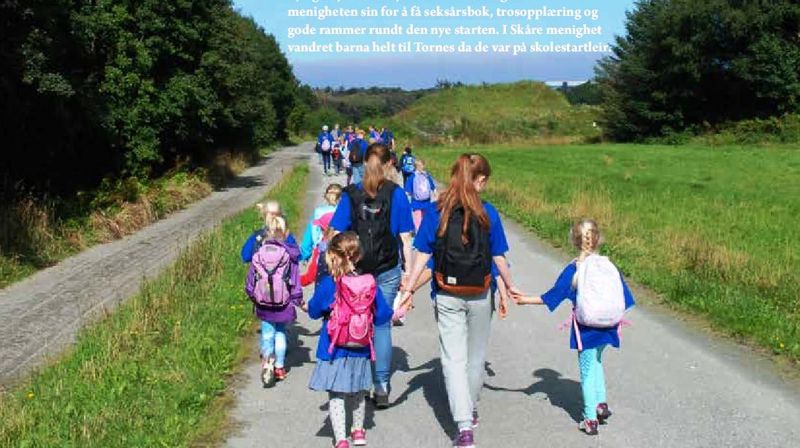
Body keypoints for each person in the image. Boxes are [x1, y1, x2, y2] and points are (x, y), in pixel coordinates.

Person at [396, 153, 519, 448]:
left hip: (446, 294)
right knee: (476, 357)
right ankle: (470, 407)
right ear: (480, 180)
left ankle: (464, 429)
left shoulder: (437, 213)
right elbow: (498, 257)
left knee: (453, 359)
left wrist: (409, 288)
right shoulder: (489, 213)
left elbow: (422, 255)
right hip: (479, 293)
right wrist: (510, 287)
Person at [511, 219, 635, 436]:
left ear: (574, 242)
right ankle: (601, 404)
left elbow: (552, 296)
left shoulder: (574, 269)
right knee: (597, 362)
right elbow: (626, 298)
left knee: (586, 370)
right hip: (609, 326)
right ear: (598, 239)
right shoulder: (608, 266)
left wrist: (524, 299)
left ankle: (589, 419)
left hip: (586, 330)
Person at [330, 143, 414, 408]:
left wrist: (331, 264)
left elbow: (334, 231)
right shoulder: (396, 194)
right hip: (387, 267)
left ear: (364, 163)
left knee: (356, 320)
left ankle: (360, 380)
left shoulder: (351, 194)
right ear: (390, 163)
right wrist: (408, 272)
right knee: (381, 325)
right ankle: (382, 385)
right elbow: (405, 236)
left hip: (356, 271)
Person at [308, 232, 394, 448]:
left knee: (336, 394)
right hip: (361, 347)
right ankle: (358, 432)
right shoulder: (368, 284)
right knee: (359, 391)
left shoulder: (330, 283)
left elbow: (313, 311)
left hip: (333, 347)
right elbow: (383, 314)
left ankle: (341, 439)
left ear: (333, 256)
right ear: (358, 257)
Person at [244, 215, 304, 387]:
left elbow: (251, 280)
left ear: (267, 232)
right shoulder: (289, 255)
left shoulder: (259, 253)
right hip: (283, 302)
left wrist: (253, 296)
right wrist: (297, 300)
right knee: (280, 333)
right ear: (285, 232)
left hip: (263, 302)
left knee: (267, 333)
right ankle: (279, 366)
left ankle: (267, 362)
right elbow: (295, 281)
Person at [300, 183, 343, 262]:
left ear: (326, 196)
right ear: (342, 197)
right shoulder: (344, 213)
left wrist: (305, 256)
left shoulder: (318, 213)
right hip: (341, 255)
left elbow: (307, 240)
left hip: (321, 254)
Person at [403, 158, 437, 232]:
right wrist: (435, 194)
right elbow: (433, 187)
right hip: (426, 201)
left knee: (417, 218)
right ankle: (425, 230)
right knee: (425, 217)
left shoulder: (412, 176)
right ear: (423, 166)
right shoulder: (427, 175)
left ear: (415, 166)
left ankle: (418, 231)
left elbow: (407, 191)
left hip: (416, 202)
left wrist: (408, 196)